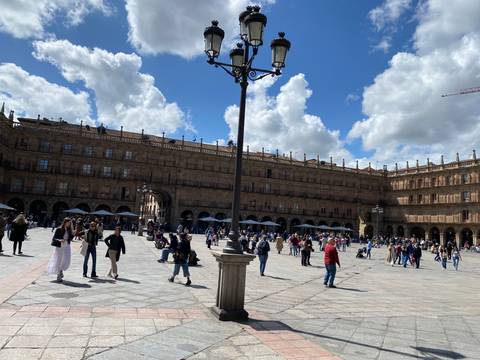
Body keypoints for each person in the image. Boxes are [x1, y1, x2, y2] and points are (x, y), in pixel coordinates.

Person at [48, 218, 74, 282]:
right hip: (60, 247)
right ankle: (59, 275)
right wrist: (59, 240)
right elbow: (54, 238)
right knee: (59, 260)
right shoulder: (59, 229)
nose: (68, 224)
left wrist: (73, 234)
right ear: (64, 222)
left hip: (67, 247)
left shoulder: (69, 230)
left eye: (69, 223)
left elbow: (70, 238)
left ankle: (61, 271)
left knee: (66, 260)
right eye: (67, 223)